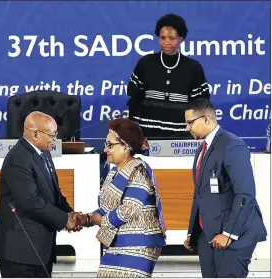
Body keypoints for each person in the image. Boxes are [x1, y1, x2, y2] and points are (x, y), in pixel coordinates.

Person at [0, 111, 83, 278]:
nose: (55, 139)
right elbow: (30, 202)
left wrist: (70, 214)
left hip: (39, 249)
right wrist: (64, 220)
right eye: (52, 135)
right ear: (35, 134)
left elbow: (55, 194)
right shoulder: (18, 158)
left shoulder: (43, 153)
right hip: (20, 252)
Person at [183, 98, 267, 278]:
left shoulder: (232, 145)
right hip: (207, 237)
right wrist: (193, 232)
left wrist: (229, 234)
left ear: (207, 119)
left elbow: (245, 194)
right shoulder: (202, 149)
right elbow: (200, 195)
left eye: (190, 123)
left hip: (232, 237)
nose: (187, 128)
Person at [81, 118, 166, 278]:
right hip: (117, 242)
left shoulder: (138, 171)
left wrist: (101, 221)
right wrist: (88, 218)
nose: (105, 149)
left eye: (110, 145)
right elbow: (107, 206)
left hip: (138, 244)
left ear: (126, 147)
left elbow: (127, 210)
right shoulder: (114, 170)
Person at [127, 13, 211, 139]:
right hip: (148, 132)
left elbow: (200, 102)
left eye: (172, 38)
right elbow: (133, 92)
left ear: (181, 39)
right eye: (162, 37)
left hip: (182, 134)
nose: (166, 42)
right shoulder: (146, 63)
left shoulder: (193, 67)